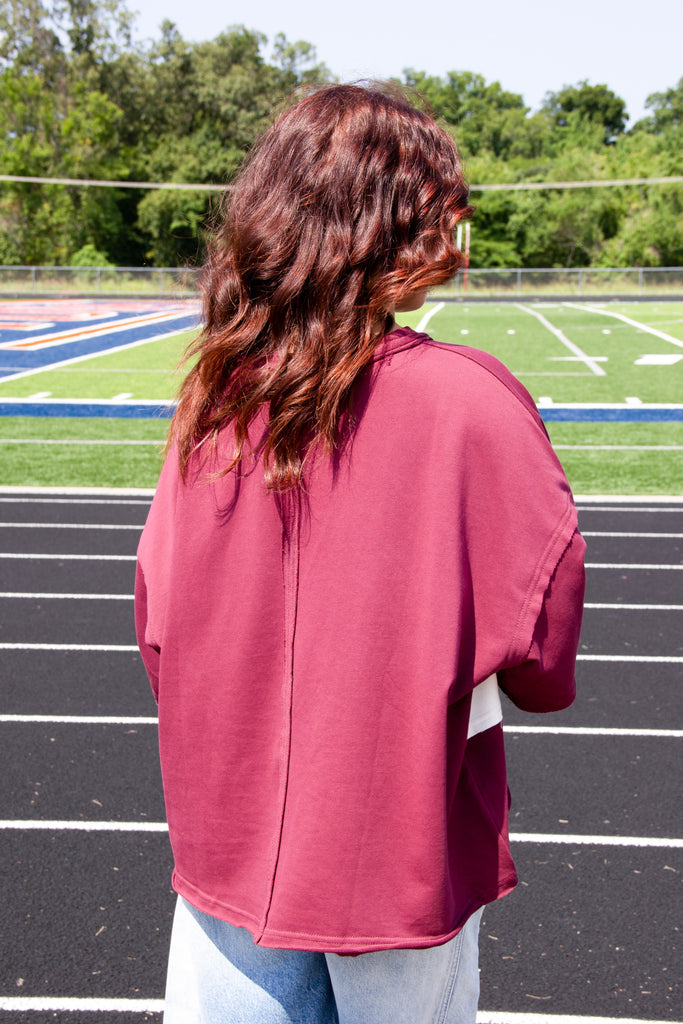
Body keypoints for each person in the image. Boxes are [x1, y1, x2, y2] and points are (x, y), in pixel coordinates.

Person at [135, 83, 585, 1024]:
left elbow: (158, 627)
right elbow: (541, 650)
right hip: (394, 849)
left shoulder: (211, 404)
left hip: (228, 838)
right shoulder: (468, 402)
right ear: (405, 227)